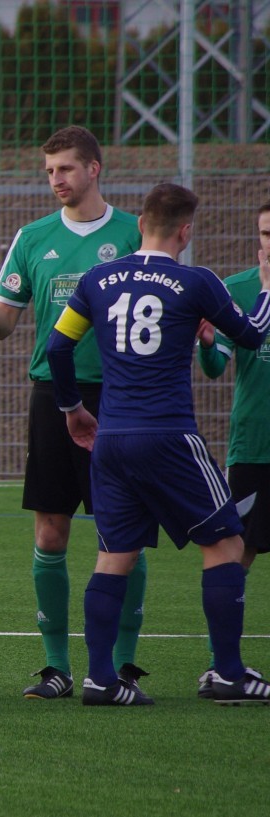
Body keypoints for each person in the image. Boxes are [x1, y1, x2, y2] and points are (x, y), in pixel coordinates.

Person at [0, 125, 146, 699]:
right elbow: (5, 324)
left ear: (95, 169)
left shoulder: (133, 233)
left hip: (120, 397)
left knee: (121, 530)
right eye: (49, 170)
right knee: (51, 532)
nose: (56, 180)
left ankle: (123, 665)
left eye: (66, 169)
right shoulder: (33, 238)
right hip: (52, 397)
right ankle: (55, 666)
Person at [47, 182, 270, 705]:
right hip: (169, 435)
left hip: (113, 437)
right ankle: (229, 674)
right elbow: (254, 336)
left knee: (114, 555)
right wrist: (265, 288)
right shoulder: (196, 282)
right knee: (227, 543)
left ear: (142, 223)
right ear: (185, 231)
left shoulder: (98, 280)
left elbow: (58, 347)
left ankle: (101, 679)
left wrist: (72, 409)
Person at [195, 198, 270, 697]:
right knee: (236, 552)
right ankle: (226, 666)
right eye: (266, 234)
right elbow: (216, 368)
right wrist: (205, 343)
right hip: (255, 447)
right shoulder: (237, 289)